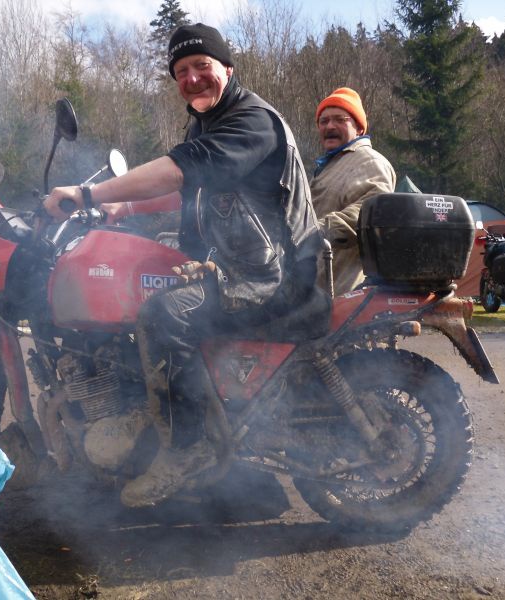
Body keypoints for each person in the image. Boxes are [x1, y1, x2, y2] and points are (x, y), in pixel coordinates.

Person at [44, 23, 324, 507]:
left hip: (273, 276)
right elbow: (188, 189)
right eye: (181, 71)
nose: (192, 78)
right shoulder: (207, 123)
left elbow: (178, 170)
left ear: (227, 69)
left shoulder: (251, 121)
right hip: (236, 268)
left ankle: (186, 448)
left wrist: (90, 194)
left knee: (162, 315)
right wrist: (122, 207)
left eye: (201, 66)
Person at [310, 87, 397, 295]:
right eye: (324, 121)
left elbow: (369, 213)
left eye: (340, 120)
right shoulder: (329, 165)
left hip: (346, 291)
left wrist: (312, 232)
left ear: (358, 128)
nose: (330, 126)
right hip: (318, 287)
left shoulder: (370, 162)